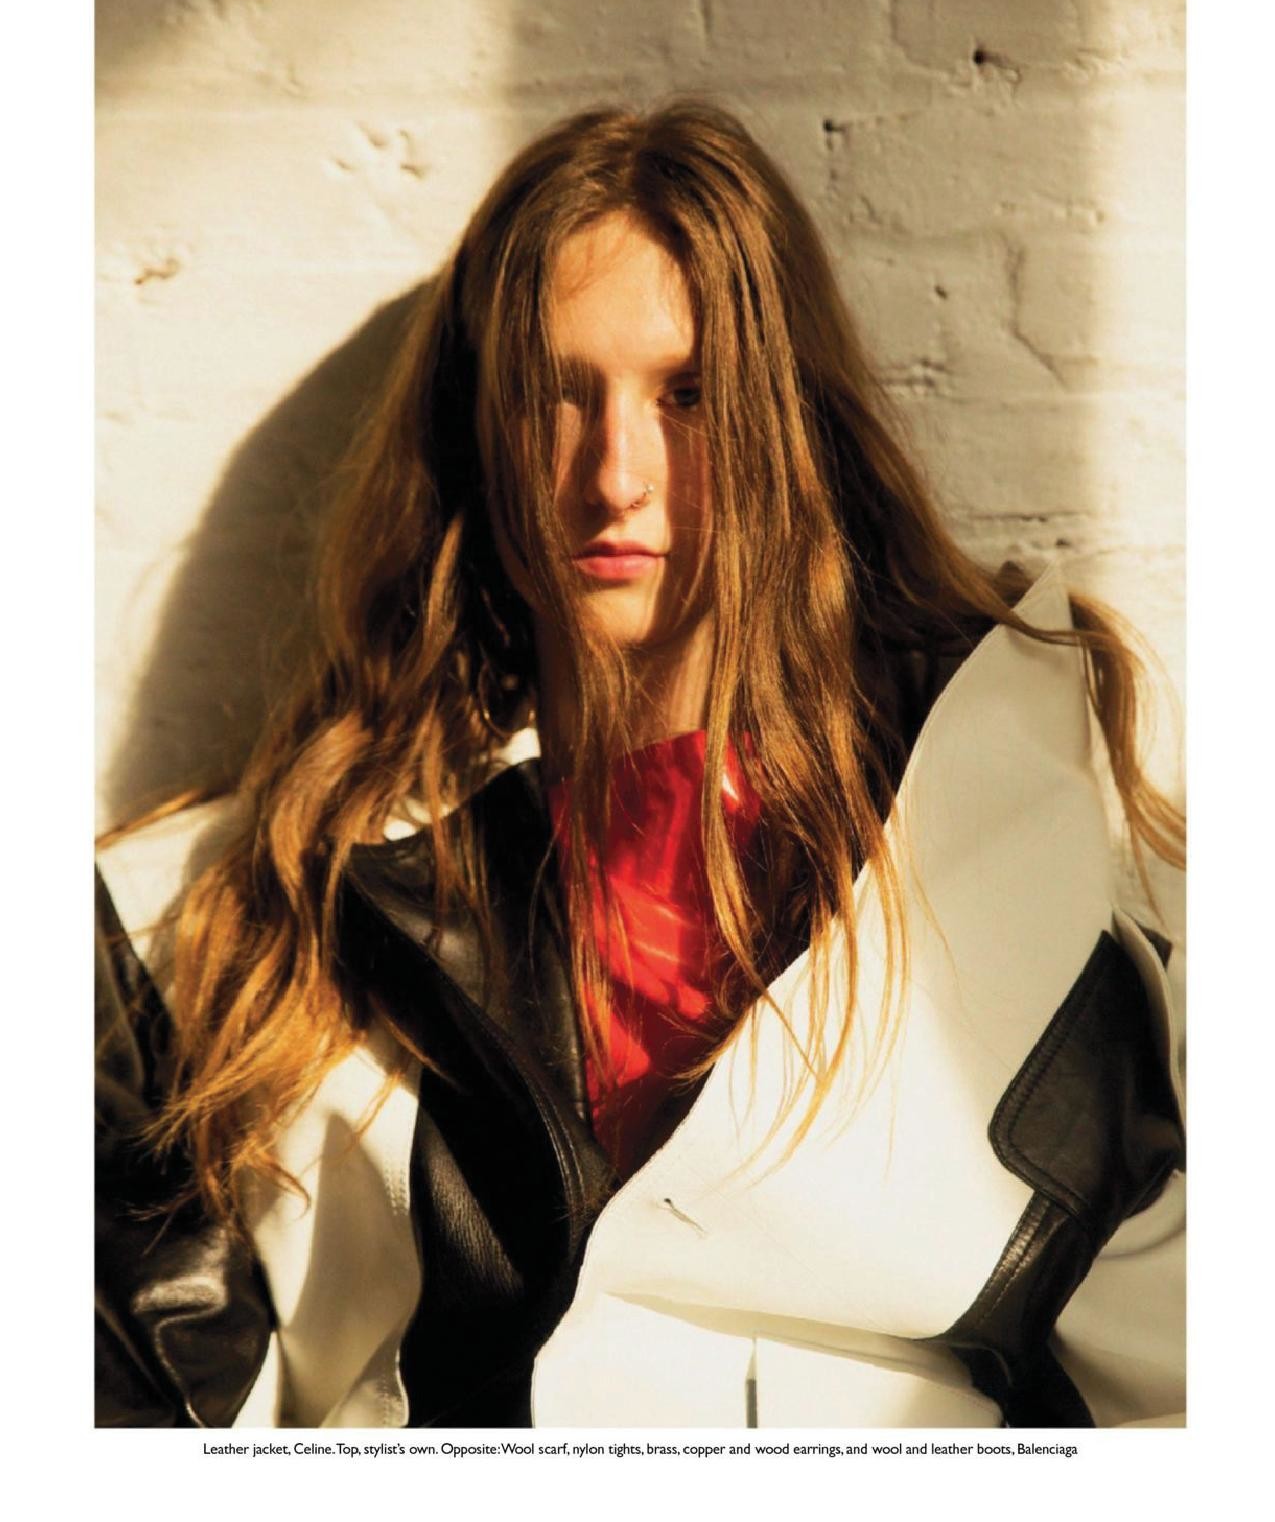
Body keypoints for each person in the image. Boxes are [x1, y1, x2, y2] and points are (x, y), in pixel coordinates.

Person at [95, 102, 1185, 1432]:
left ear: (787, 424)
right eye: (555, 396)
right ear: (480, 433)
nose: (616, 475)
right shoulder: (247, 915)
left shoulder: (1038, 836)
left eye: (690, 395)